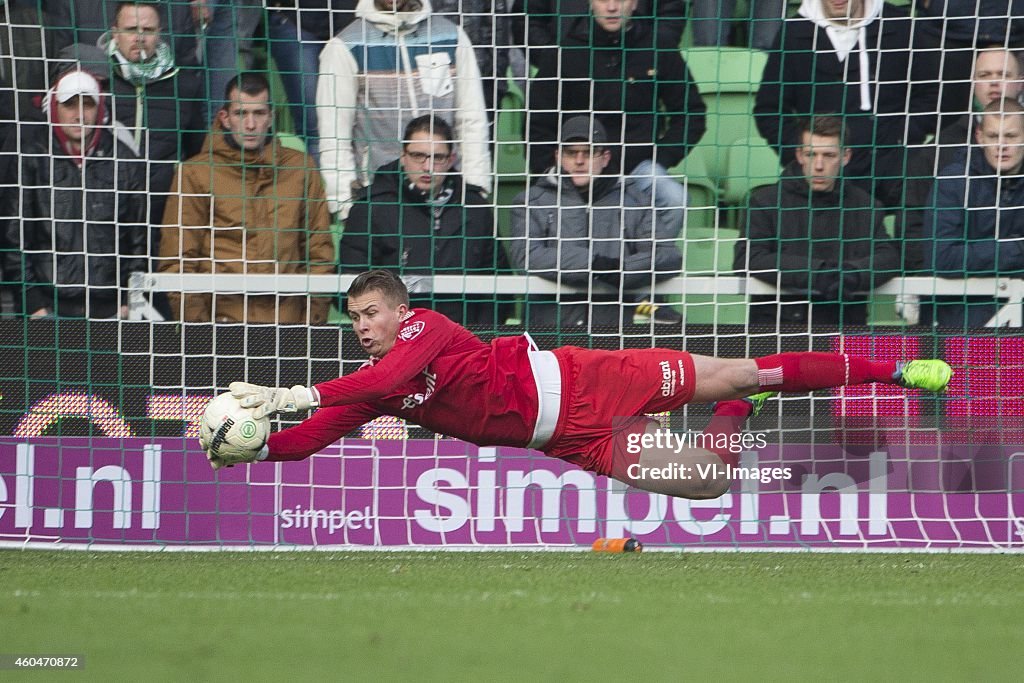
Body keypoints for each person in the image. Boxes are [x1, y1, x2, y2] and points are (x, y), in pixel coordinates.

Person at [203, 269, 954, 502]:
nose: (363, 325)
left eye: (372, 313)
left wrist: (295, 393)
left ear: (400, 308)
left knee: (746, 365)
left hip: (586, 374)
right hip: (571, 436)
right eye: (356, 317)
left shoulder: (422, 330)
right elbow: (307, 444)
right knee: (710, 481)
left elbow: (398, 371)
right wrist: (260, 448)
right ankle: (733, 413)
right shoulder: (367, 385)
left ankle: (892, 368)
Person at [158, 72, 336, 324]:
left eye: (259, 113)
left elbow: (319, 254)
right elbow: (178, 260)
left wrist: (310, 325)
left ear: (271, 117)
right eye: (241, 114)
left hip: (288, 326)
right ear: (225, 118)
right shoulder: (195, 173)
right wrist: (198, 333)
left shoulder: (301, 169)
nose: (251, 125)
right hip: (220, 326)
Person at [527, 0, 705, 235]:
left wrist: (658, 158)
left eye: (620, 0)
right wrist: (558, 172)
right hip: (578, 170)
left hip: (637, 170)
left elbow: (691, 112)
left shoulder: (658, 47)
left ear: (635, 4)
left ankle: (647, 267)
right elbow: (538, 125)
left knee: (674, 199)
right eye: (603, 0)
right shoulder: (564, 52)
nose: (612, 7)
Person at [754, 0, 940, 208]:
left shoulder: (902, 27)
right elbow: (769, 110)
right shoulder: (794, 32)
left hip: (891, 175)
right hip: (818, 179)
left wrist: (900, 142)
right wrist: (804, 154)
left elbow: (930, 95)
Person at [316, 0, 492, 219]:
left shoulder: (453, 37)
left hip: (448, 197)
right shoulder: (344, 46)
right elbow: (333, 135)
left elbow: (472, 120)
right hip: (379, 198)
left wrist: (476, 190)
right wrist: (346, 206)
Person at [509, 116, 684, 328]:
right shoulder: (531, 200)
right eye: (571, 153)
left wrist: (621, 270)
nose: (579, 161)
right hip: (549, 329)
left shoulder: (635, 200)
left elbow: (667, 256)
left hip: (612, 331)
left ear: (605, 157)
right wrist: (593, 264)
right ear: (558, 156)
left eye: (589, 152)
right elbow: (526, 255)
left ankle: (642, 302)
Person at [0, 67, 148, 319]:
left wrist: (128, 300)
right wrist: (32, 302)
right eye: (70, 105)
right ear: (55, 107)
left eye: (88, 105)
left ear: (99, 109)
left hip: (111, 308)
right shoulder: (32, 157)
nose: (79, 115)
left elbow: (139, 241)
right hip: (47, 307)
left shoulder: (125, 161)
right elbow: (15, 237)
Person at [340, 115, 510, 325]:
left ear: (451, 159)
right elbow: (348, 288)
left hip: (463, 343)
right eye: (418, 155)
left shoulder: (475, 207)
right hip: (395, 344)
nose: (427, 166)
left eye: (437, 158)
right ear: (403, 156)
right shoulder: (370, 208)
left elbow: (499, 287)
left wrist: (478, 337)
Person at [735, 115, 899, 326]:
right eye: (811, 154)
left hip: (844, 328)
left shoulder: (866, 205)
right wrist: (817, 273)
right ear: (799, 156)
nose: (819, 165)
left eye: (829, 155)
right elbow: (747, 258)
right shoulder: (764, 201)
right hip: (776, 330)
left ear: (846, 156)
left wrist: (853, 274)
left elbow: (889, 256)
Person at [99, 1, 205, 228]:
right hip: (104, 213)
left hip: (164, 215)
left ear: (159, 33)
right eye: (130, 30)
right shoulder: (96, 80)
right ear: (115, 34)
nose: (139, 37)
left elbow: (198, 155)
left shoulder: (184, 86)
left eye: (147, 30)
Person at [926, 99, 1024, 327]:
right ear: (979, 137)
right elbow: (942, 258)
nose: (1002, 145)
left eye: (1010, 136)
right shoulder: (953, 182)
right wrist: (1017, 248)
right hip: (961, 325)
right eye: (993, 136)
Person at [266, 1, 358, 162]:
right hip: (295, 17)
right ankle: (319, 186)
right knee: (314, 128)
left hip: (354, 19)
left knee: (358, 123)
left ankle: (356, 185)